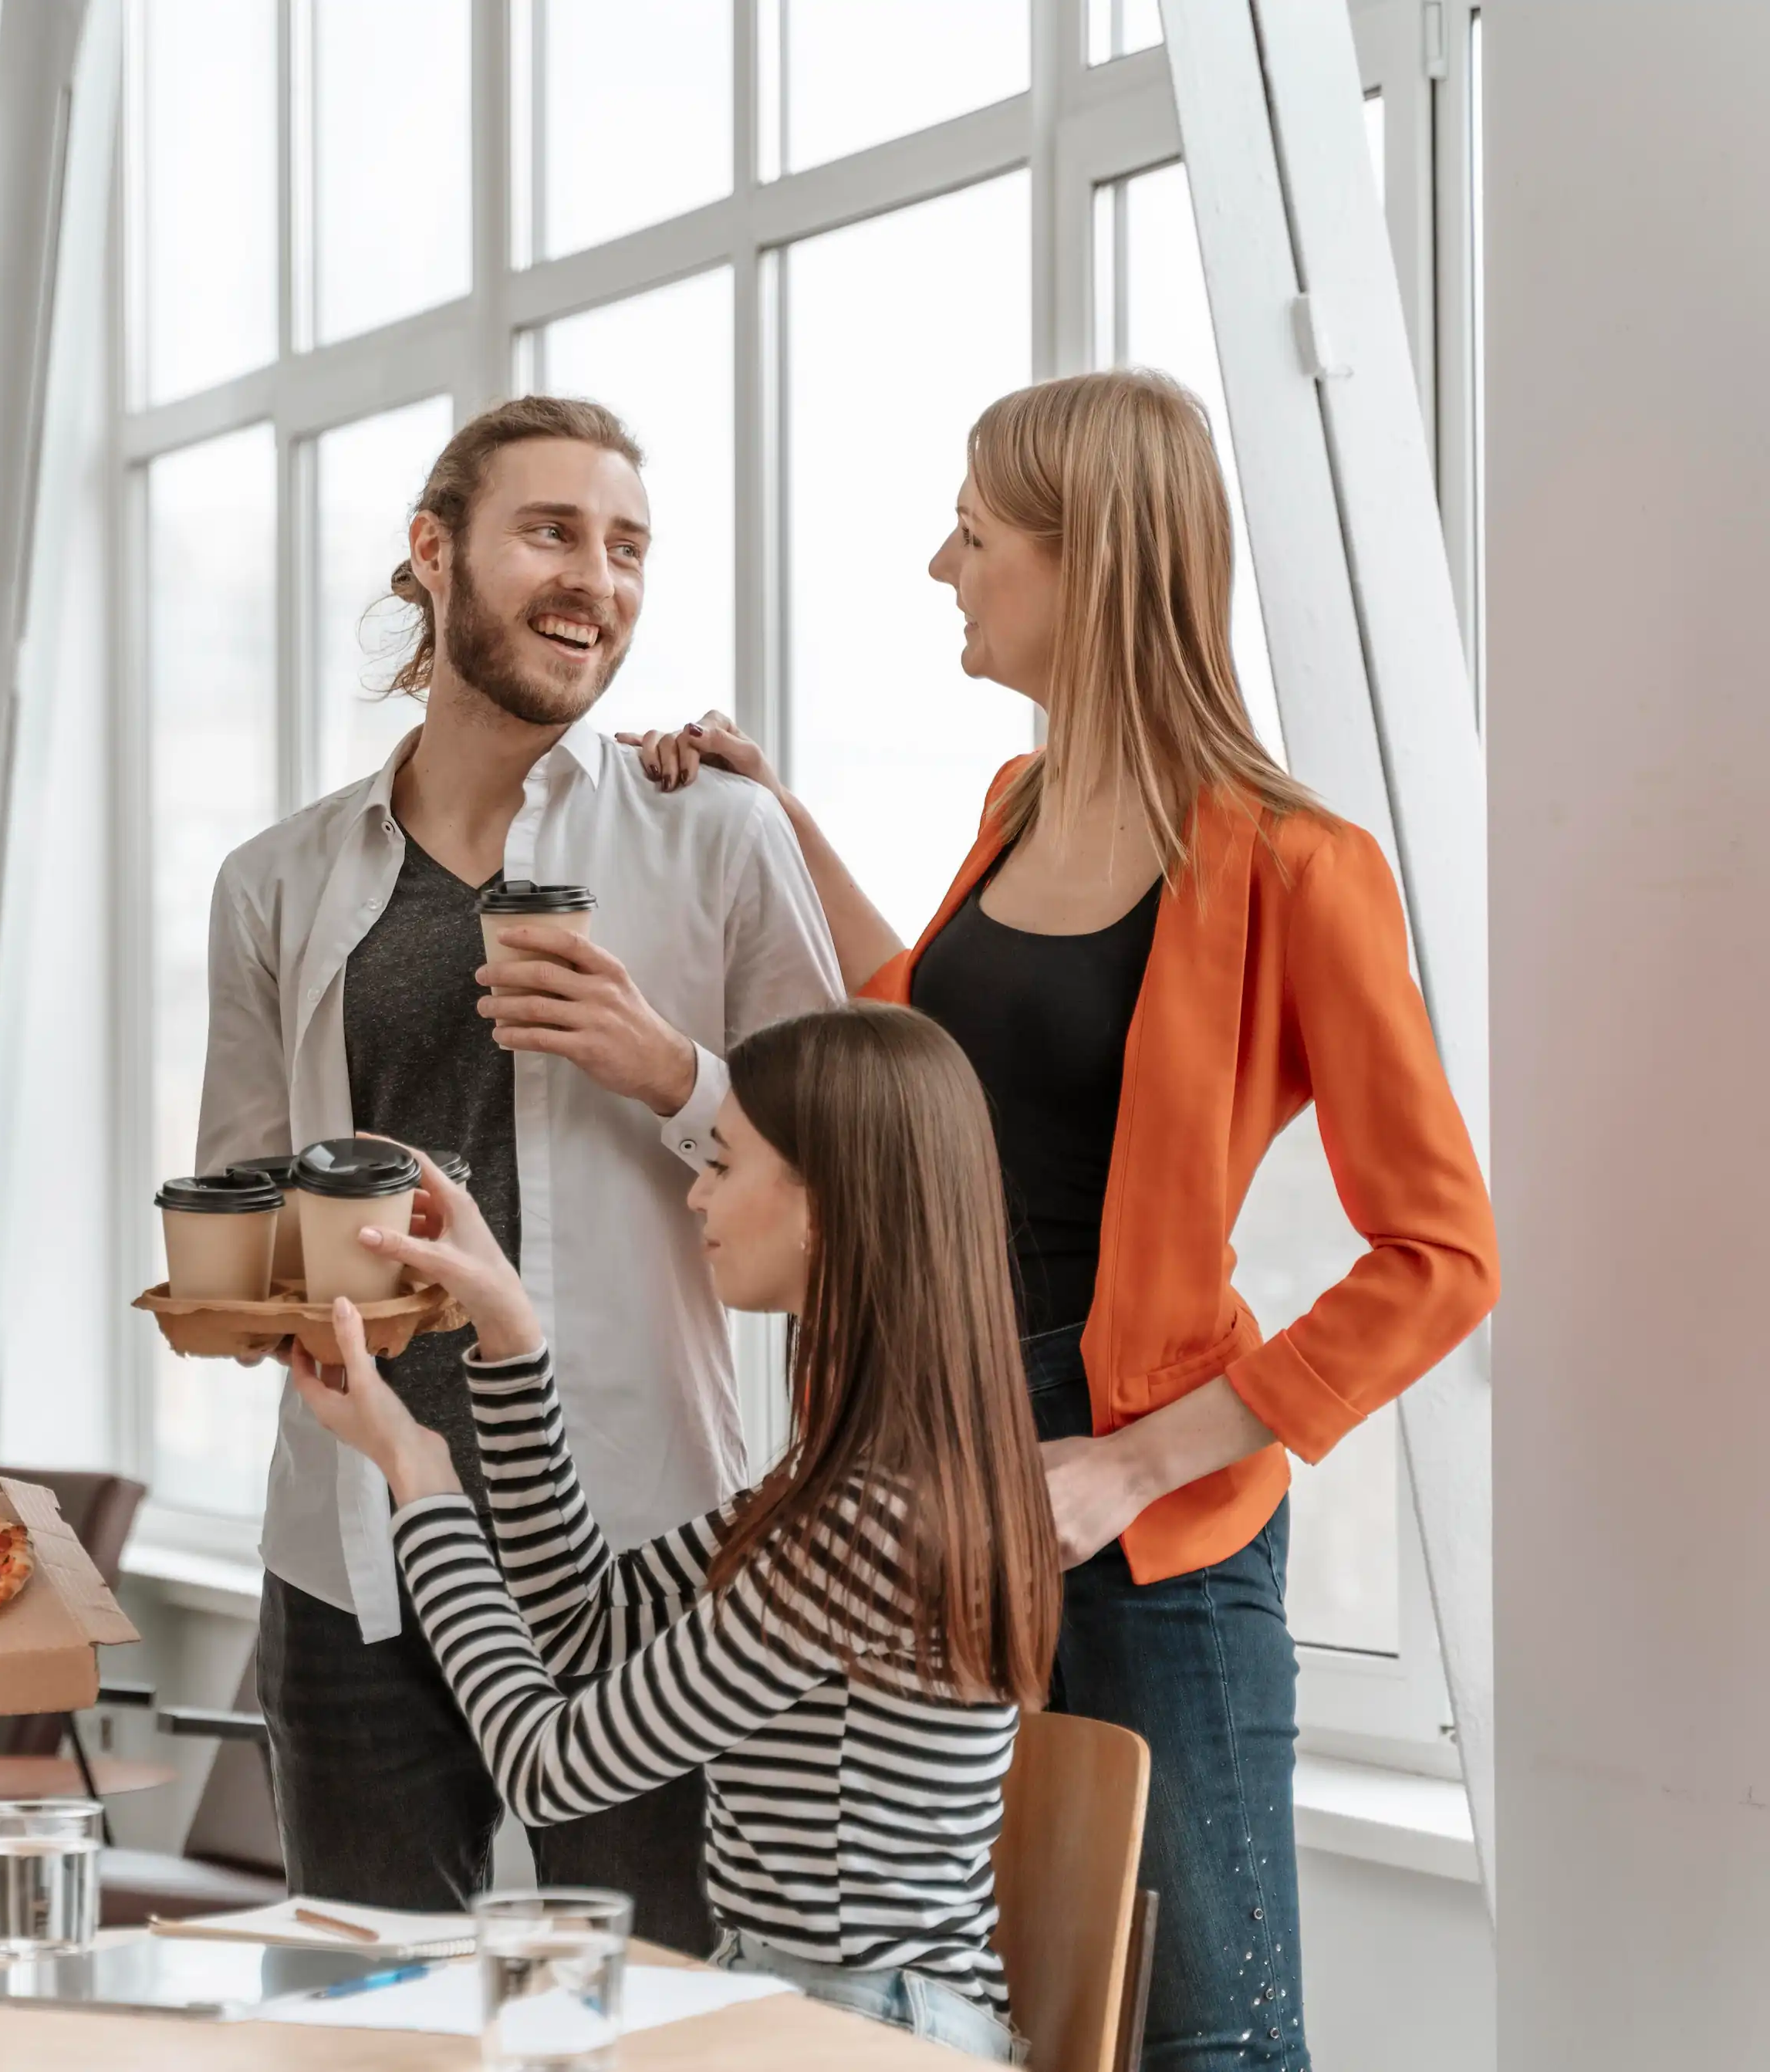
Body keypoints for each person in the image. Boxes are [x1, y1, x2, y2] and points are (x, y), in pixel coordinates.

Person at [632, 368, 1499, 2070]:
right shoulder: (1011, 811)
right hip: (927, 1479)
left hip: (1141, 1524)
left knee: (1203, 2040)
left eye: (969, 532)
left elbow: (1441, 1254)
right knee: (975, 2015)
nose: (938, 566)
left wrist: (1133, 1463)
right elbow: (930, 1050)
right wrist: (773, 810)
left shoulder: (1290, 863)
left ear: (1082, 558)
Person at [199, 395, 840, 1950]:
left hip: (633, 1565)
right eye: (551, 532)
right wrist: (260, 1298)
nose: (595, 581)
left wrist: (664, 1066)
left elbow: (852, 1196)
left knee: (647, 2017)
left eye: (625, 548)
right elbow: (232, 1188)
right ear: (433, 554)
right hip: (353, 1555)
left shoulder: (718, 839)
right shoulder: (278, 878)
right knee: (361, 2031)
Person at [285, 1004, 1058, 2062]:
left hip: (857, 2034)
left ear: (824, 1207)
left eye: (724, 1162)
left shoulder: (869, 1520)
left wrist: (422, 1479)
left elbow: (548, 1769)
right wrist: (512, 1344)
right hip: (805, 2009)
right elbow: (583, 1627)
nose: (696, 1190)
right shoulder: (851, 1484)